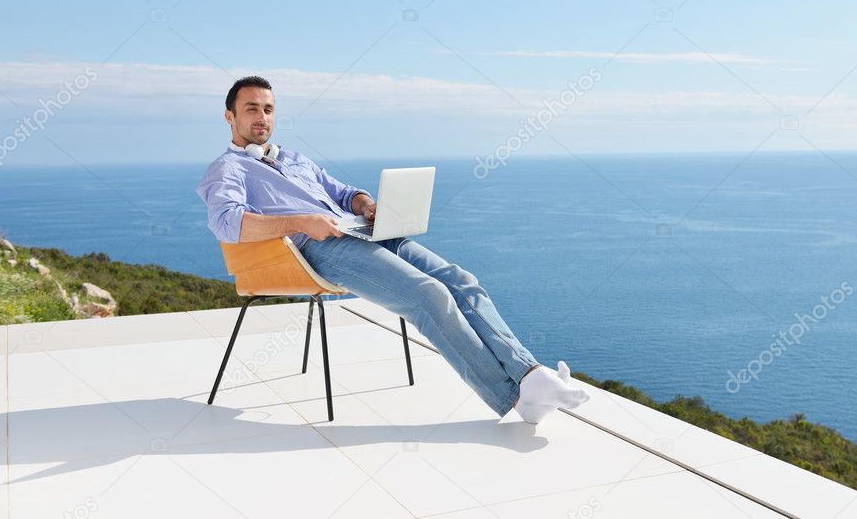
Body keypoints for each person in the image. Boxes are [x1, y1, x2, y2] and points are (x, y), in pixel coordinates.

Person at [196, 76, 589, 423]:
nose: (261, 117)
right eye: (251, 109)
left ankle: (530, 373)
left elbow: (345, 193)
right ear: (230, 117)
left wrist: (367, 206)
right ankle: (517, 397)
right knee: (428, 294)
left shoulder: (295, 159)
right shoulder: (228, 169)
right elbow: (228, 223)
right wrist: (301, 221)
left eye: (268, 109)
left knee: (461, 281)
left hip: (362, 233)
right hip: (316, 250)